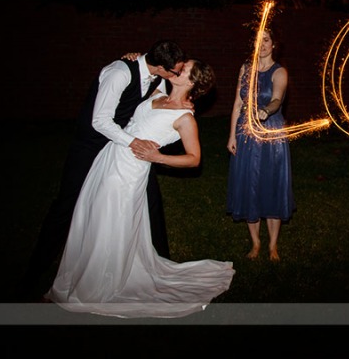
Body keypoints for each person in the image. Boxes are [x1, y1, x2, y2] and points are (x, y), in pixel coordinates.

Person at [45, 59, 234, 318]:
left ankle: (98, 284)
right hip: (110, 156)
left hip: (129, 171)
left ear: (191, 82)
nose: (177, 67)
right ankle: (82, 272)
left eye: (184, 68)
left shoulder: (185, 117)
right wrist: (134, 58)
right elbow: (146, 75)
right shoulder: (158, 91)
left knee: (109, 221)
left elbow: (194, 158)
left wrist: (160, 158)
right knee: (94, 215)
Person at [18, 39, 186, 301]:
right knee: (66, 206)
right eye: (175, 71)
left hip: (125, 152)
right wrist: (134, 142)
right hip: (92, 146)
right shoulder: (119, 73)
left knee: (151, 200)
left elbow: (160, 98)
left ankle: (161, 267)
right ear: (161, 66)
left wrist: (181, 107)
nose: (178, 74)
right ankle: (33, 274)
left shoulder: (157, 77)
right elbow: (99, 121)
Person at [227, 27, 293, 262]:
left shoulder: (280, 72)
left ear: (274, 44)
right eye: (259, 40)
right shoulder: (246, 68)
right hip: (245, 131)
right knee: (249, 184)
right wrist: (232, 135)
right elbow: (238, 102)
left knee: (271, 184)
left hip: (269, 131)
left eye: (267, 40)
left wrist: (265, 110)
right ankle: (255, 243)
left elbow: (277, 99)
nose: (262, 44)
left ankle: (273, 245)